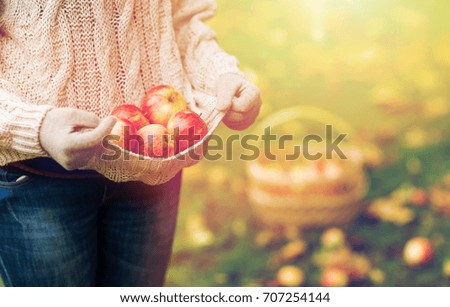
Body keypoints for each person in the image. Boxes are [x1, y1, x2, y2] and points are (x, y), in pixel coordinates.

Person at [0, 0, 261, 286]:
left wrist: (219, 75)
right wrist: (32, 127)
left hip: (153, 166)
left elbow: (183, 18)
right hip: (38, 181)